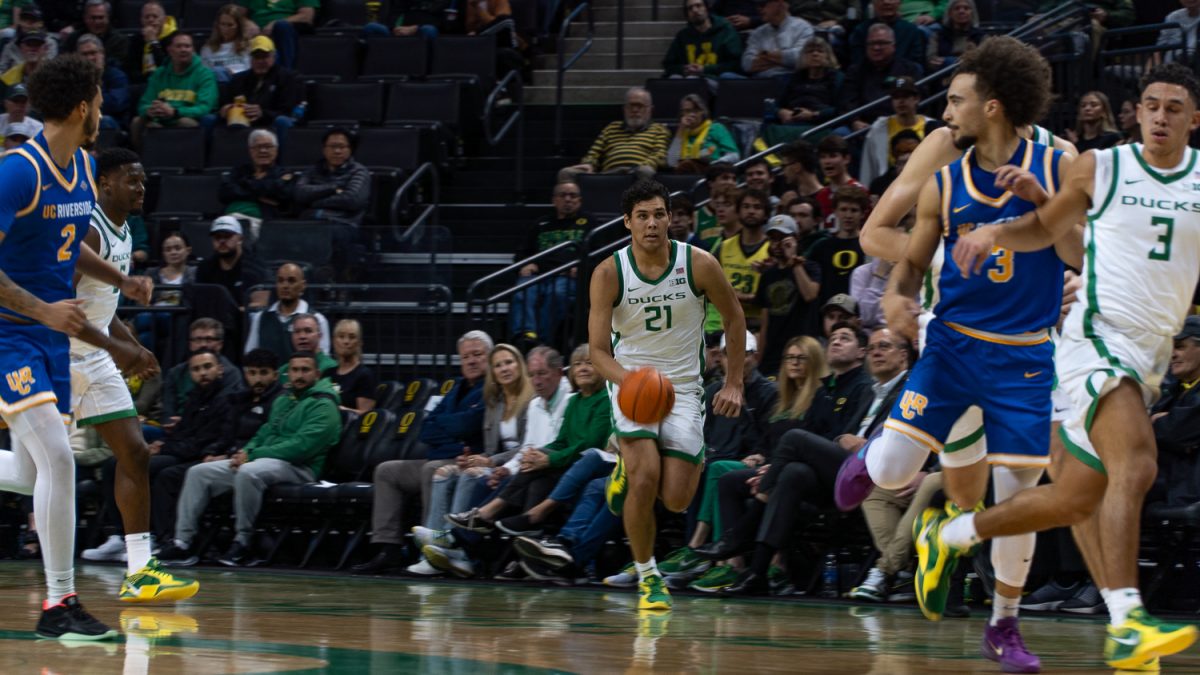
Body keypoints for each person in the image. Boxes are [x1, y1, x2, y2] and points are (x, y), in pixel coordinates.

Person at [932, 62, 1200, 670]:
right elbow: (1048, 233)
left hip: (1153, 350)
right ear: (1137, 112)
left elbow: (1078, 238)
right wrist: (998, 229)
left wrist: (1039, 200)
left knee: (1074, 500)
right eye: (1151, 104)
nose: (1160, 115)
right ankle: (1129, 622)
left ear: (1193, 119)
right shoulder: (1101, 165)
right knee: (1136, 462)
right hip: (1096, 336)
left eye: (1174, 107)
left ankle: (949, 534)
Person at [837, 37, 1065, 672]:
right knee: (938, 472)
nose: (944, 109)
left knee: (1013, 489)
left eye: (957, 97)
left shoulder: (1057, 159)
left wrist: (1063, 260)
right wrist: (920, 281)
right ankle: (904, 491)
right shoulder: (943, 154)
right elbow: (876, 234)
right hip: (953, 325)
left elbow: (1081, 243)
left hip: (1026, 344)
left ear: (997, 103)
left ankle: (999, 615)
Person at [0, 54, 150, 640]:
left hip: (48, 337)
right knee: (61, 461)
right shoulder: (19, 171)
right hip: (9, 332)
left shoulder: (84, 170)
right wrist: (39, 309)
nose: (104, 112)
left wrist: (120, 282)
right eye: (100, 103)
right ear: (83, 106)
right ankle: (58, 605)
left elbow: (66, 249)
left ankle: (60, 604)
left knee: (35, 470)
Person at [590, 179, 748, 611]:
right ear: (627, 223)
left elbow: (735, 320)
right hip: (631, 382)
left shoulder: (699, 264)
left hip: (683, 387)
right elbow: (598, 353)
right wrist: (630, 382)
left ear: (671, 218)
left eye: (659, 214)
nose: (653, 223)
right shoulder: (609, 272)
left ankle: (630, 471)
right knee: (644, 477)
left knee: (676, 498)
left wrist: (734, 382)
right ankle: (648, 576)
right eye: (642, 216)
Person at [68, 147, 198, 602]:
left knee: (136, 453)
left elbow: (102, 307)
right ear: (103, 183)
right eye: (130, 180)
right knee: (41, 471)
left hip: (94, 354)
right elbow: (62, 307)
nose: (140, 188)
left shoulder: (123, 233)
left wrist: (133, 346)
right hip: (59, 353)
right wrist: (120, 347)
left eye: (142, 180)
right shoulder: (88, 227)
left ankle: (140, 570)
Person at [158, 350, 341, 567]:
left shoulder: (324, 405)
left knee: (248, 472)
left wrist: (252, 455)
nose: (299, 375)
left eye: (305, 370)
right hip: (265, 462)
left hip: (301, 468)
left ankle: (243, 542)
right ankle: (183, 543)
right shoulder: (284, 400)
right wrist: (244, 452)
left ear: (317, 374)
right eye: (294, 370)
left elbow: (301, 447)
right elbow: (264, 432)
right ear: (287, 373)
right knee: (199, 472)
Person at [351, 330, 491, 574]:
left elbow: (470, 425)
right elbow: (426, 428)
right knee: (387, 471)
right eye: (465, 356)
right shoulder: (456, 387)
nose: (471, 360)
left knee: (432, 469)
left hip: (469, 462)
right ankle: (388, 548)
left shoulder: (491, 388)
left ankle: (430, 550)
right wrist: (454, 430)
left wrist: (449, 428)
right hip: (442, 454)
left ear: (489, 356)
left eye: (477, 354)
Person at [85, 347, 237, 561]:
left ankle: (151, 537)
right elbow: (184, 432)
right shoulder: (195, 397)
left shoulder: (228, 399)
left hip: (200, 457)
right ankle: (121, 535)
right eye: (196, 369)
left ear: (220, 369)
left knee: (150, 470)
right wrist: (162, 443)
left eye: (207, 367)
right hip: (179, 450)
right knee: (113, 465)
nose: (202, 373)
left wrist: (163, 448)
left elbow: (210, 441)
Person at [509, 181, 595, 342]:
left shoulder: (589, 223)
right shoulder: (541, 224)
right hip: (539, 274)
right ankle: (525, 334)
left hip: (569, 276)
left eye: (573, 195)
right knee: (523, 288)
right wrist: (525, 263)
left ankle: (542, 340)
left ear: (580, 200)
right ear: (554, 200)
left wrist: (583, 269)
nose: (568, 199)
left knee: (556, 294)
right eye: (563, 195)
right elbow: (521, 252)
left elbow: (600, 255)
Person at [754, 214, 820, 376]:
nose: (778, 244)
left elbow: (810, 294)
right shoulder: (767, 275)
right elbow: (765, 323)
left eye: (783, 238)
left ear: (795, 239)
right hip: (773, 355)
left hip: (802, 352)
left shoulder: (810, 267)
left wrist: (793, 261)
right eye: (773, 239)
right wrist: (759, 359)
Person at [559, 87, 670, 183]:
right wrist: (589, 164)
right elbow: (594, 152)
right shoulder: (611, 127)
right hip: (609, 173)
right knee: (566, 173)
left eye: (639, 106)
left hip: (638, 172)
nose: (635, 110)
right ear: (624, 109)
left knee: (646, 171)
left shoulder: (659, 129)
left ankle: (641, 207)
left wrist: (639, 167)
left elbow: (659, 155)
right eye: (631, 106)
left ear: (650, 109)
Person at [131, 32, 218, 150]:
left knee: (184, 122)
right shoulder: (159, 74)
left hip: (186, 118)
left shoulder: (204, 74)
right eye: (179, 46)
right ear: (170, 50)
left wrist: (175, 111)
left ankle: (188, 164)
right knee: (138, 122)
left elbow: (204, 108)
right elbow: (144, 104)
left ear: (193, 50)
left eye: (187, 46)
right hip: (160, 120)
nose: (184, 50)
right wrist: (150, 111)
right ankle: (143, 162)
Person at [160, 318, 246, 423]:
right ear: (190, 344)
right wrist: (169, 423)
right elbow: (168, 410)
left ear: (220, 344)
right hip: (175, 431)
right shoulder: (175, 373)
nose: (203, 344)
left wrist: (187, 422)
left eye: (209, 340)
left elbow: (225, 410)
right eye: (197, 340)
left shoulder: (231, 373)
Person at [708, 188, 770, 332]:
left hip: (757, 325)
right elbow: (708, 290)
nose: (751, 211)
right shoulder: (723, 247)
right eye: (746, 206)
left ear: (766, 214)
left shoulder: (772, 249)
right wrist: (747, 297)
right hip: (726, 324)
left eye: (757, 207)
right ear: (738, 211)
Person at [859, 76, 940, 188]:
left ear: (916, 98)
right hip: (888, 186)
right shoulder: (879, 128)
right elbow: (869, 167)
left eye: (906, 96)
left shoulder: (932, 127)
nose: (901, 101)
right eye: (896, 97)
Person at [843, 23, 923, 131]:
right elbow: (848, 100)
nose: (876, 48)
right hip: (864, 126)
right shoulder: (855, 71)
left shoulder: (909, 69)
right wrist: (855, 121)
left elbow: (920, 100)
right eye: (872, 43)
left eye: (881, 43)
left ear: (893, 46)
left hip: (900, 123)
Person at [763, 37, 842, 146]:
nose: (815, 54)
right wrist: (780, 112)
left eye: (820, 51)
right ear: (803, 57)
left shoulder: (836, 77)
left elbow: (840, 108)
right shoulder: (795, 78)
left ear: (828, 56)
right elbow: (776, 104)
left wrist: (814, 114)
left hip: (820, 124)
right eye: (810, 51)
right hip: (791, 121)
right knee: (764, 131)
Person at [243, 262, 331, 360]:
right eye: (280, 281)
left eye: (291, 281)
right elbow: (250, 356)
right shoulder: (260, 318)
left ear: (303, 285)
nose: (285, 286)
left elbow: (323, 359)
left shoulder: (318, 320)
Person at [218, 36, 302, 137]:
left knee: (282, 121)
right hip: (241, 122)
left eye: (265, 56)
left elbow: (287, 112)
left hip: (271, 124)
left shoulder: (287, 78)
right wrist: (225, 109)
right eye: (257, 57)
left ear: (274, 56)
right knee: (210, 119)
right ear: (251, 59)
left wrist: (262, 113)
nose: (260, 61)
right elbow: (224, 103)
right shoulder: (238, 79)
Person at [293, 127, 370, 225]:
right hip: (309, 221)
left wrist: (314, 203)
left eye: (342, 147)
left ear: (350, 149)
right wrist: (333, 188)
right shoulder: (312, 170)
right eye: (332, 146)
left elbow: (352, 200)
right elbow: (299, 193)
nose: (337, 151)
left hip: (343, 223)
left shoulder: (359, 171)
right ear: (324, 149)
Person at [808, 185, 869, 304]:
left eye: (854, 210)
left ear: (862, 214)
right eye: (843, 209)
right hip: (828, 314)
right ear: (835, 212)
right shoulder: (821, 247)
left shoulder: (870, 247)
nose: (848, 215)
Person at [194, 215, 270, 309]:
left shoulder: (255, 266)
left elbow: (260, 302)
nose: (222, 241)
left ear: (240, 239)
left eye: (227, 236)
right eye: (217, 237)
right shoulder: (204, 268)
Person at [218, 129, 295, 218]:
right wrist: (260, 196)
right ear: (251, 151)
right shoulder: (239, 170)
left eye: (268, 146)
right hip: (232, 219)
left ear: (276, 150)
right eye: (258, 147)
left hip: (266, 220)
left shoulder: (284, 173)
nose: (263, 150)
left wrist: (245, 183)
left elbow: (283, 194)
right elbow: (224, 193)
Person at [661, 0, 742, 79]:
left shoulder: (725, 31)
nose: (695, 10)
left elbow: (735, 64)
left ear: (707, 9)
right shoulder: (682, 36)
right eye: (690, 8)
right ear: (687, 15)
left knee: (692, 79)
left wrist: (704, 69)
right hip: (688, 78)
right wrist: (684, 69)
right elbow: (668, 64)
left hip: (716, 79)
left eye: (698, 5)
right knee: (675, 78)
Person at [737, 0, 812, 80]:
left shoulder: (803, 27)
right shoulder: (758, 32)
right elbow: (747, 64)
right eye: (757, 5)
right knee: (727, 76)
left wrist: (765, 55)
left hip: (788, 79)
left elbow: (801, 58)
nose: (758, 9)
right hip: (760, 81)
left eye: (763, 4)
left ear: (780, 4)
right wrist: (783, 61)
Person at [666, 94, 739, 171]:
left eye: (696, 110)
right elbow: (671, 162)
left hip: (712, 172)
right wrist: (681, 129)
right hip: (684, 174)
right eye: (687, 111)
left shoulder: (716, 128)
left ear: (703, 112)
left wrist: (715, 165)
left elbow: (734, 156)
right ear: (682, 113)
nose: (691, 114)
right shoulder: (681, 133)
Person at [240, 0, 318, 69]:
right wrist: (247, 22)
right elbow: (236, 14)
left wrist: (275, 23)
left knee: (282, 26)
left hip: (286, 31)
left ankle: (284, 75)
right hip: (255, 31)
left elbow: (306, 16)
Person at [848, 0, 925, 67]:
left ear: (899, 2)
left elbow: (915, 62)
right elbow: (857, 63)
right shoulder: (861, 30)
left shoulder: (911, 30)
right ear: (873, 3)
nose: (886, 2)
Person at [75, 34, 130, 129]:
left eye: (93, 53)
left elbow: (116, 105)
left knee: (102, 121)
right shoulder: (72, 77)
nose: (90, 58)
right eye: (85, 54)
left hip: (111, 121)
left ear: (102, 54)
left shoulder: (116, 76)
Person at [323, 318, 377, 414]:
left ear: (359, 343)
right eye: (341, 336)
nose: (346, 341)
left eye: (352, 337)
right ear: (334, 341)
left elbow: (365, 414)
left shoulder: (364, 375)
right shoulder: (327, 374)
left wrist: (339, 410)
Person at [813, 134, 865, 224]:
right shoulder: (821, 196)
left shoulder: (861, 192)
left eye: (832, 156)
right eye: (823, 157)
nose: (827, 161)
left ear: (846, 159)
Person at [62, 0, 129, 65]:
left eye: (101, 17)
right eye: (93, 18)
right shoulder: (73, 38)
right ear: (85, 18)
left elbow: (118, 64)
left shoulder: (120, 40)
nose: (97, 22)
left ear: (108, 18)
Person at [123, 0, 175, 84]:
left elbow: (168, 67)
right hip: (142, 84)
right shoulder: (136, 40)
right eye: (147, 17)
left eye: (155, 16)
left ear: (164, 19)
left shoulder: (174, 38)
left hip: (167, 82)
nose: (150, 20)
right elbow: (130, 68)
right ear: (141, 20)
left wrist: (154, 42)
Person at [201, 4, 252, 83]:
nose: (225, 29)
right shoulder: (207, 49)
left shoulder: (247, 47)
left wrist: (234, 74)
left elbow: (251, 73)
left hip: (239, 84)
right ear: (218, 25)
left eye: (230, 25)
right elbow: (204, 76)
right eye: (223, 24)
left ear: (238, 26)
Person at [927, 0, 982, 71]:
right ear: (950, 13)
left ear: (972, 13)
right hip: (942, 76)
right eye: (957, 8)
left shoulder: (980, 36)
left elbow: (982, 62)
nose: (961, 11)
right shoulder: (938, 35)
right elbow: (931, 61)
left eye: (966, 8)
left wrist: (948, 61)